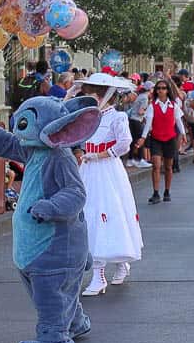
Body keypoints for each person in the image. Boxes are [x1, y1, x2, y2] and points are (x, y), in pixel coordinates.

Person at [76, 73, 142, 294]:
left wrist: (101, 155)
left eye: (92, 96)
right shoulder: (88, 116)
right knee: (89, 214)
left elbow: (125, 144)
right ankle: (102, 270)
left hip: (106, 170)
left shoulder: (117, 117)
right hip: (87, 168)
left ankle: (104, 272)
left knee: (106, 213)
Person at [141, 78, 185, 203]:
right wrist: (143, 137)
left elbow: (178, 121)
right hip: (156, 138)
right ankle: (155, 192)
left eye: (163, 88)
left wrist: (183, 134)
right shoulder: (152, 106)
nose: (161, 90)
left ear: (167, 90)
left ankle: (167, 191)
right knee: (156, 165)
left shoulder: (173, 105)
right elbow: (148, 123)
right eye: (158, 88)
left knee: (168, 167)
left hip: (170, 138)